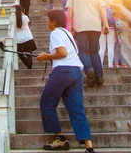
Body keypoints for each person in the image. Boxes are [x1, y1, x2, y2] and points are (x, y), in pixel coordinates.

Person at [36, 10, 96, 153]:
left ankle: (60, 139)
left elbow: (62, 53)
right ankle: (89, 147)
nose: (47, 22)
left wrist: (46, 56)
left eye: (48, 20)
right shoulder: (68, 33)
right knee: (77, 109)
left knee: (46, 103)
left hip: (63, 71)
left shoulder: (55, 33)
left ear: (54, 22)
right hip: (76, 72)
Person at [66, 0, 109, 87]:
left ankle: (89, 69)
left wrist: (70, 24)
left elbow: (69, 10)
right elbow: (102, 9)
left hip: (81, 25)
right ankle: (99, 76)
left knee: (82, 50)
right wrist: (105, 24)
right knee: (94, 50)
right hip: (95, 24)